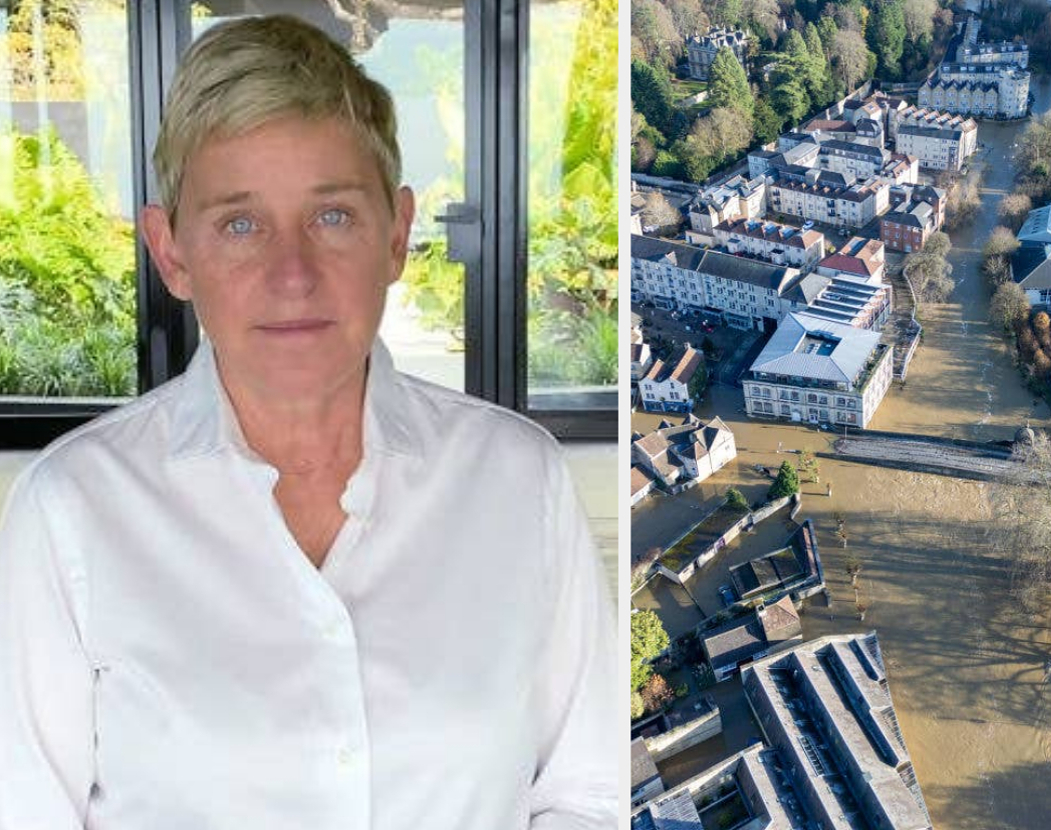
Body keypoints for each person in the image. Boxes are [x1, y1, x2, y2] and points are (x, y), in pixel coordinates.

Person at [0, 15, 616, 829]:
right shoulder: (69, 511)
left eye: (332, 216)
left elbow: (588, 794)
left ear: (397, 235)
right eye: (240, 223)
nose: (292, 275)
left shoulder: (518, 480)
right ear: (172, 253)